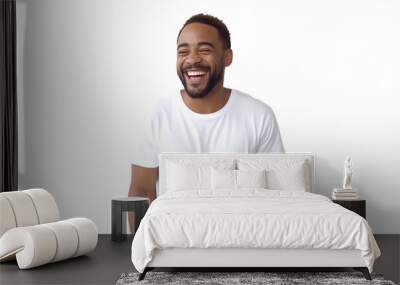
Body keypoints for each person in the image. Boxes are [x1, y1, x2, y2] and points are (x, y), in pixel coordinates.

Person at [128, 14, 285, 228]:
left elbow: (277, 194)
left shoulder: (259, 116)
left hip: (243, 241)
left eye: (204, 50)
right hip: (173, 245)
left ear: (227, 57)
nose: (192, 59)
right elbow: (142, 192)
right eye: (183, 51)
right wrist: (144, 255)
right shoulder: (158, 114)